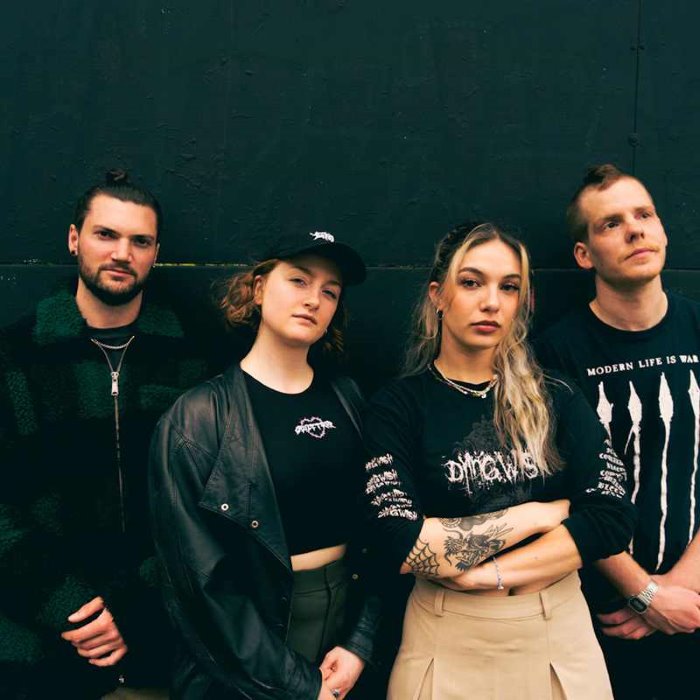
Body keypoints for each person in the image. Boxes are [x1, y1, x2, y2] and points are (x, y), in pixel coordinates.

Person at [361, 222, 636, 699]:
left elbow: (611, 519)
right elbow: (400, 543)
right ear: (438, 296)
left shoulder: (558, 397)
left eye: (508, 287)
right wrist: (538, 515)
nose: (491, 302)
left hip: (556, 633)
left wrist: (487, 575)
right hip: (444, 636)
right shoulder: (398, 407)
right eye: (471, 282)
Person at [0, 169, 208, 698]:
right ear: (74, 239)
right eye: (106, 234)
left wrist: (133, 603)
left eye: (140, 241)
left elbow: (215, 499)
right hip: (40, 639)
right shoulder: (16, 355)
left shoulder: (195, 357)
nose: (122, 253)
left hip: (160, 635)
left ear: (156, 253)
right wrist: (69, 605)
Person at [149, 230, 381, 699]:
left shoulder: (351, 399)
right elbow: (201, 585)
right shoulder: (196, 420)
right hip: (249, 660)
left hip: (343, 650)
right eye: (299, 280)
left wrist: (359, 643)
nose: (313, 299)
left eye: (330, 291)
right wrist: (301, 686)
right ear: (257, 289)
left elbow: (382, 531)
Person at [536, 164, 700, 699]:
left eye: (644, 215)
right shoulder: (554, 354)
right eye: (611, 223)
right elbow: (558, 492)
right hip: (598, 617)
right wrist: (643, 593)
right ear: (584, 254)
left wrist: (676, 590)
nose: (634, 230)